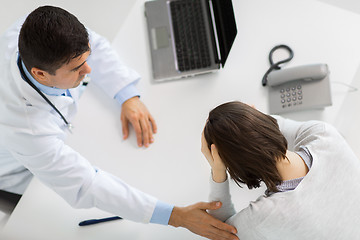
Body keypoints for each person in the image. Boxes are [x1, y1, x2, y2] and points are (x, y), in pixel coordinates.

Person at [0, 6, 239, 240]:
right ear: (40, 74)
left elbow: (98, 46)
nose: (88, 69)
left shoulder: (35, 29)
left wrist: (127, 95)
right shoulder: (26, 128)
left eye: (86, 59)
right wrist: (176, 217)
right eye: (76, 69)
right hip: (18, 176)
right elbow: (87, 185)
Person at [201, 101, 360, 239]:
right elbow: (281, 127)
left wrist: (218, 172)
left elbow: (221, 232)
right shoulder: (323, 134)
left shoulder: (264, 216)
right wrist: (250, 119)